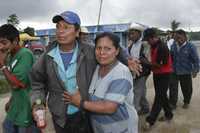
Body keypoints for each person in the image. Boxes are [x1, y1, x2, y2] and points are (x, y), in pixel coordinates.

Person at [30, 11, 141, 133]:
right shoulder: (47, 56)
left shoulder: (89, 51)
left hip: (85, 114)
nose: (60, 31)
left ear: (77, 32)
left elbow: (107, 51)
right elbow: (37, 82)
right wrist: (38, 103)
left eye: (66, 27)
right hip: (60, 117)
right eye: (58, 27)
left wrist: (126, 60)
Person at [63, 32, 138, 133]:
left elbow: (109, 107)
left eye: (107, 48)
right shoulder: (97, 68)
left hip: (120, 128)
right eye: (98, 48)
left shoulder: (121, 73)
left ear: (116, 51)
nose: (102, 52)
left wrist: (80, 103)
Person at [0, 24, 38, 133]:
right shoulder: (11, 55)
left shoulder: (25, 54)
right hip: (16, 107)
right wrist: (11, 100)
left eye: (4, 42)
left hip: (26, 110)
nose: (1, 46)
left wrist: (2, 66)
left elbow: (17, 84)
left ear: (15, 41)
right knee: (7, 126)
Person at [142, 28, 173, 129]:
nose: (147, 42)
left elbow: (160, 65)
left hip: (165, 74)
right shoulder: (153, 46)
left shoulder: (162, 47)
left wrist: (146, 62)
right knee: (162, 95)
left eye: (148, 40)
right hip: (157, 74)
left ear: (153, 37)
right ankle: (169, 114)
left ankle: (150, 120)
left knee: (159, 97)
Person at [170, 29, 199, 109]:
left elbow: (196, 59)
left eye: (179, 38)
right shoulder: (173, 45)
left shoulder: (191, 46)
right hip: (174, 70)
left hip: (185, 71)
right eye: (176, 38)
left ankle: (186, 101)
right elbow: (171, 57)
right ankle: (172, 103)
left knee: (187, 88)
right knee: (173, 87)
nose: (178, 40)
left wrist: (195, 70)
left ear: (185, 37)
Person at [126, 23, 150, 114]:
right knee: (141, 90)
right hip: (134, 71)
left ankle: (134, 112)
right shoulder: (131, 45)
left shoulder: (144, 44)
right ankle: (145, 107)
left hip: (142, 72)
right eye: (130, 34)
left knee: (136, 92)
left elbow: (148, 59)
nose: (131, 36)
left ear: (139, 33)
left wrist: (138, 60)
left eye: (133, 33)